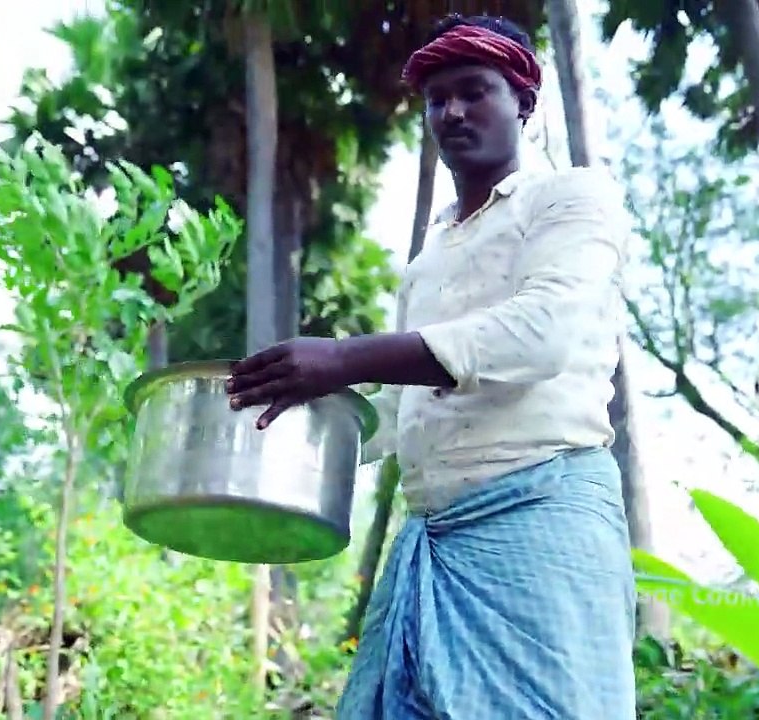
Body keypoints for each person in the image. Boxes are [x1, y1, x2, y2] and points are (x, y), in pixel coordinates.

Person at [226, 13, 636, 720]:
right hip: (434, 534)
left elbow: (537, 337)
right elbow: (409, 411)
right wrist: (279, 435)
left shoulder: (571, 198)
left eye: (475, 91)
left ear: (524, 104)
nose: (452, 112)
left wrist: (344, 357)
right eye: (437, 100)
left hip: (537, 513)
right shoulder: (432, 253)